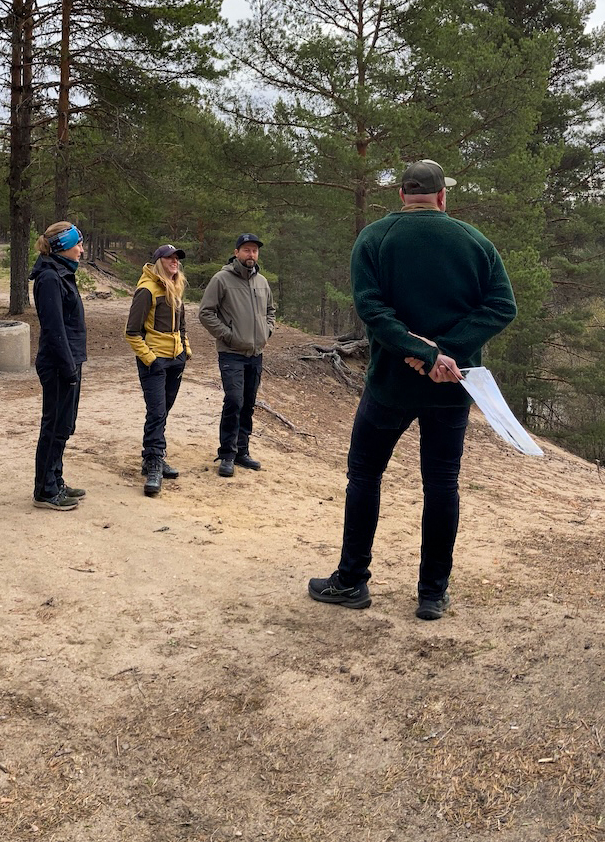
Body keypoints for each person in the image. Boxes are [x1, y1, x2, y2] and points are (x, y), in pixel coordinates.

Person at [308, 160, 515, 620]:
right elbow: (503, 307)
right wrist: (447, 353)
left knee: (365, 475)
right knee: (442, 484)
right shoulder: (475, 241)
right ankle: (432, 594)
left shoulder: (374, 238)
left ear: (402, 194)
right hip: (453, 387)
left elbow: (372, 311)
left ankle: (352, 582)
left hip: (389, 386)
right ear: (443, 197)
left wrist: (420, 351)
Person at [198, 232, 275, 478]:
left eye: (254, 250)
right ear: (236, 252)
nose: (251, 254)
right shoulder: (222, 279)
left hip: (256, 353)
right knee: (234, 401)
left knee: (248, 403)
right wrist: (228, 335)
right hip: (231, 353)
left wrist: (267, 331)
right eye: (246, 250)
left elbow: (271, 310)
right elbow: (206, 312)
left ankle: (242, 452)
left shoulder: (262, 281)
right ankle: (227, 454)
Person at [32, 220, 88, 511]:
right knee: (54, 425)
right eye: (77, 244)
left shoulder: (63, 273)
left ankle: (56, 478)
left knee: (64, 425)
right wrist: (68, 367)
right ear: (63, 247)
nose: (81, 249)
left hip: (70, 360)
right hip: (58, 364)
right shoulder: (50, 278)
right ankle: (45, 490)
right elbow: (54, 329)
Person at [127, 244, 191, 496]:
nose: (174, 262)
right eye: (169, 258)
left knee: (163, 411)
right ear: (158, 261)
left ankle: (152, 456)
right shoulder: (146, 290)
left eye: (177, 258)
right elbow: (131, 332)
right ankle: (153, 463)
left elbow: (182, 324)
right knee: (156, 412)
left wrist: (185, 350)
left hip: (175, 360)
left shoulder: (176, 287)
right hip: (155, 361)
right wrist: (150, 358)